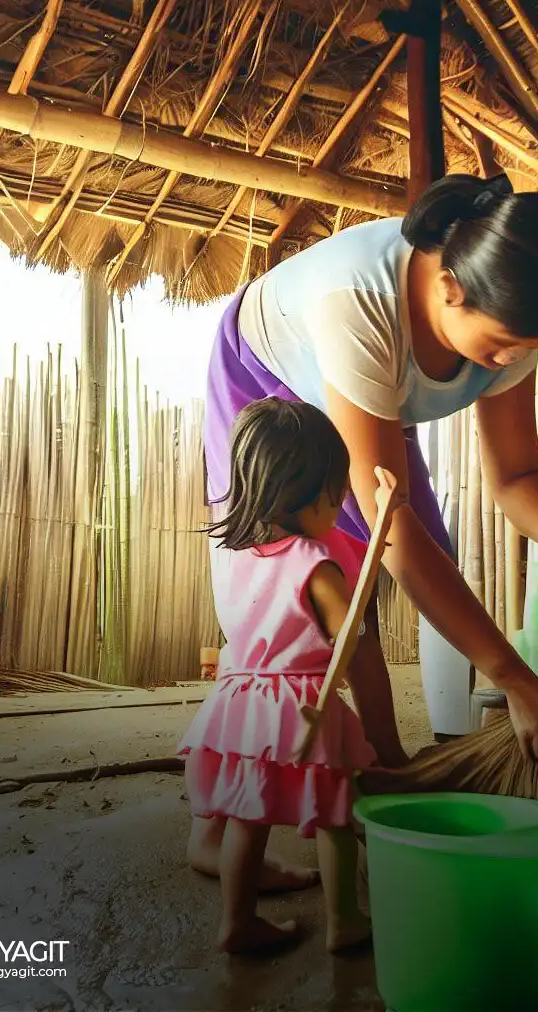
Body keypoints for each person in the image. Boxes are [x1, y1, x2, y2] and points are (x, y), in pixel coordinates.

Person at [205, 172, 538, 772]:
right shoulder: (358, 303)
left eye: (528, 349)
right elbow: (390, 528)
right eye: (502, 346)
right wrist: (516, 680)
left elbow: (517, 476)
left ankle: (388, 761)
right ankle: (230, 802)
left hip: (362, 390)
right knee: (285, 591)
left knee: (429, 559)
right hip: (266, 385)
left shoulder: (508, 317)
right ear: (449, 287)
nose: (511, 362)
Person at [181, 399, 401, 954]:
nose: (341, 503)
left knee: (245, 818)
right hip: (302, 704)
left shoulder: (235, 557)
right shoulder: (314, 564)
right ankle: (343, 917)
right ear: (306, 494)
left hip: (241, 701)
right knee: (337, 811)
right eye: (336, 491)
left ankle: (237, 921)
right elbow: (350, 642)